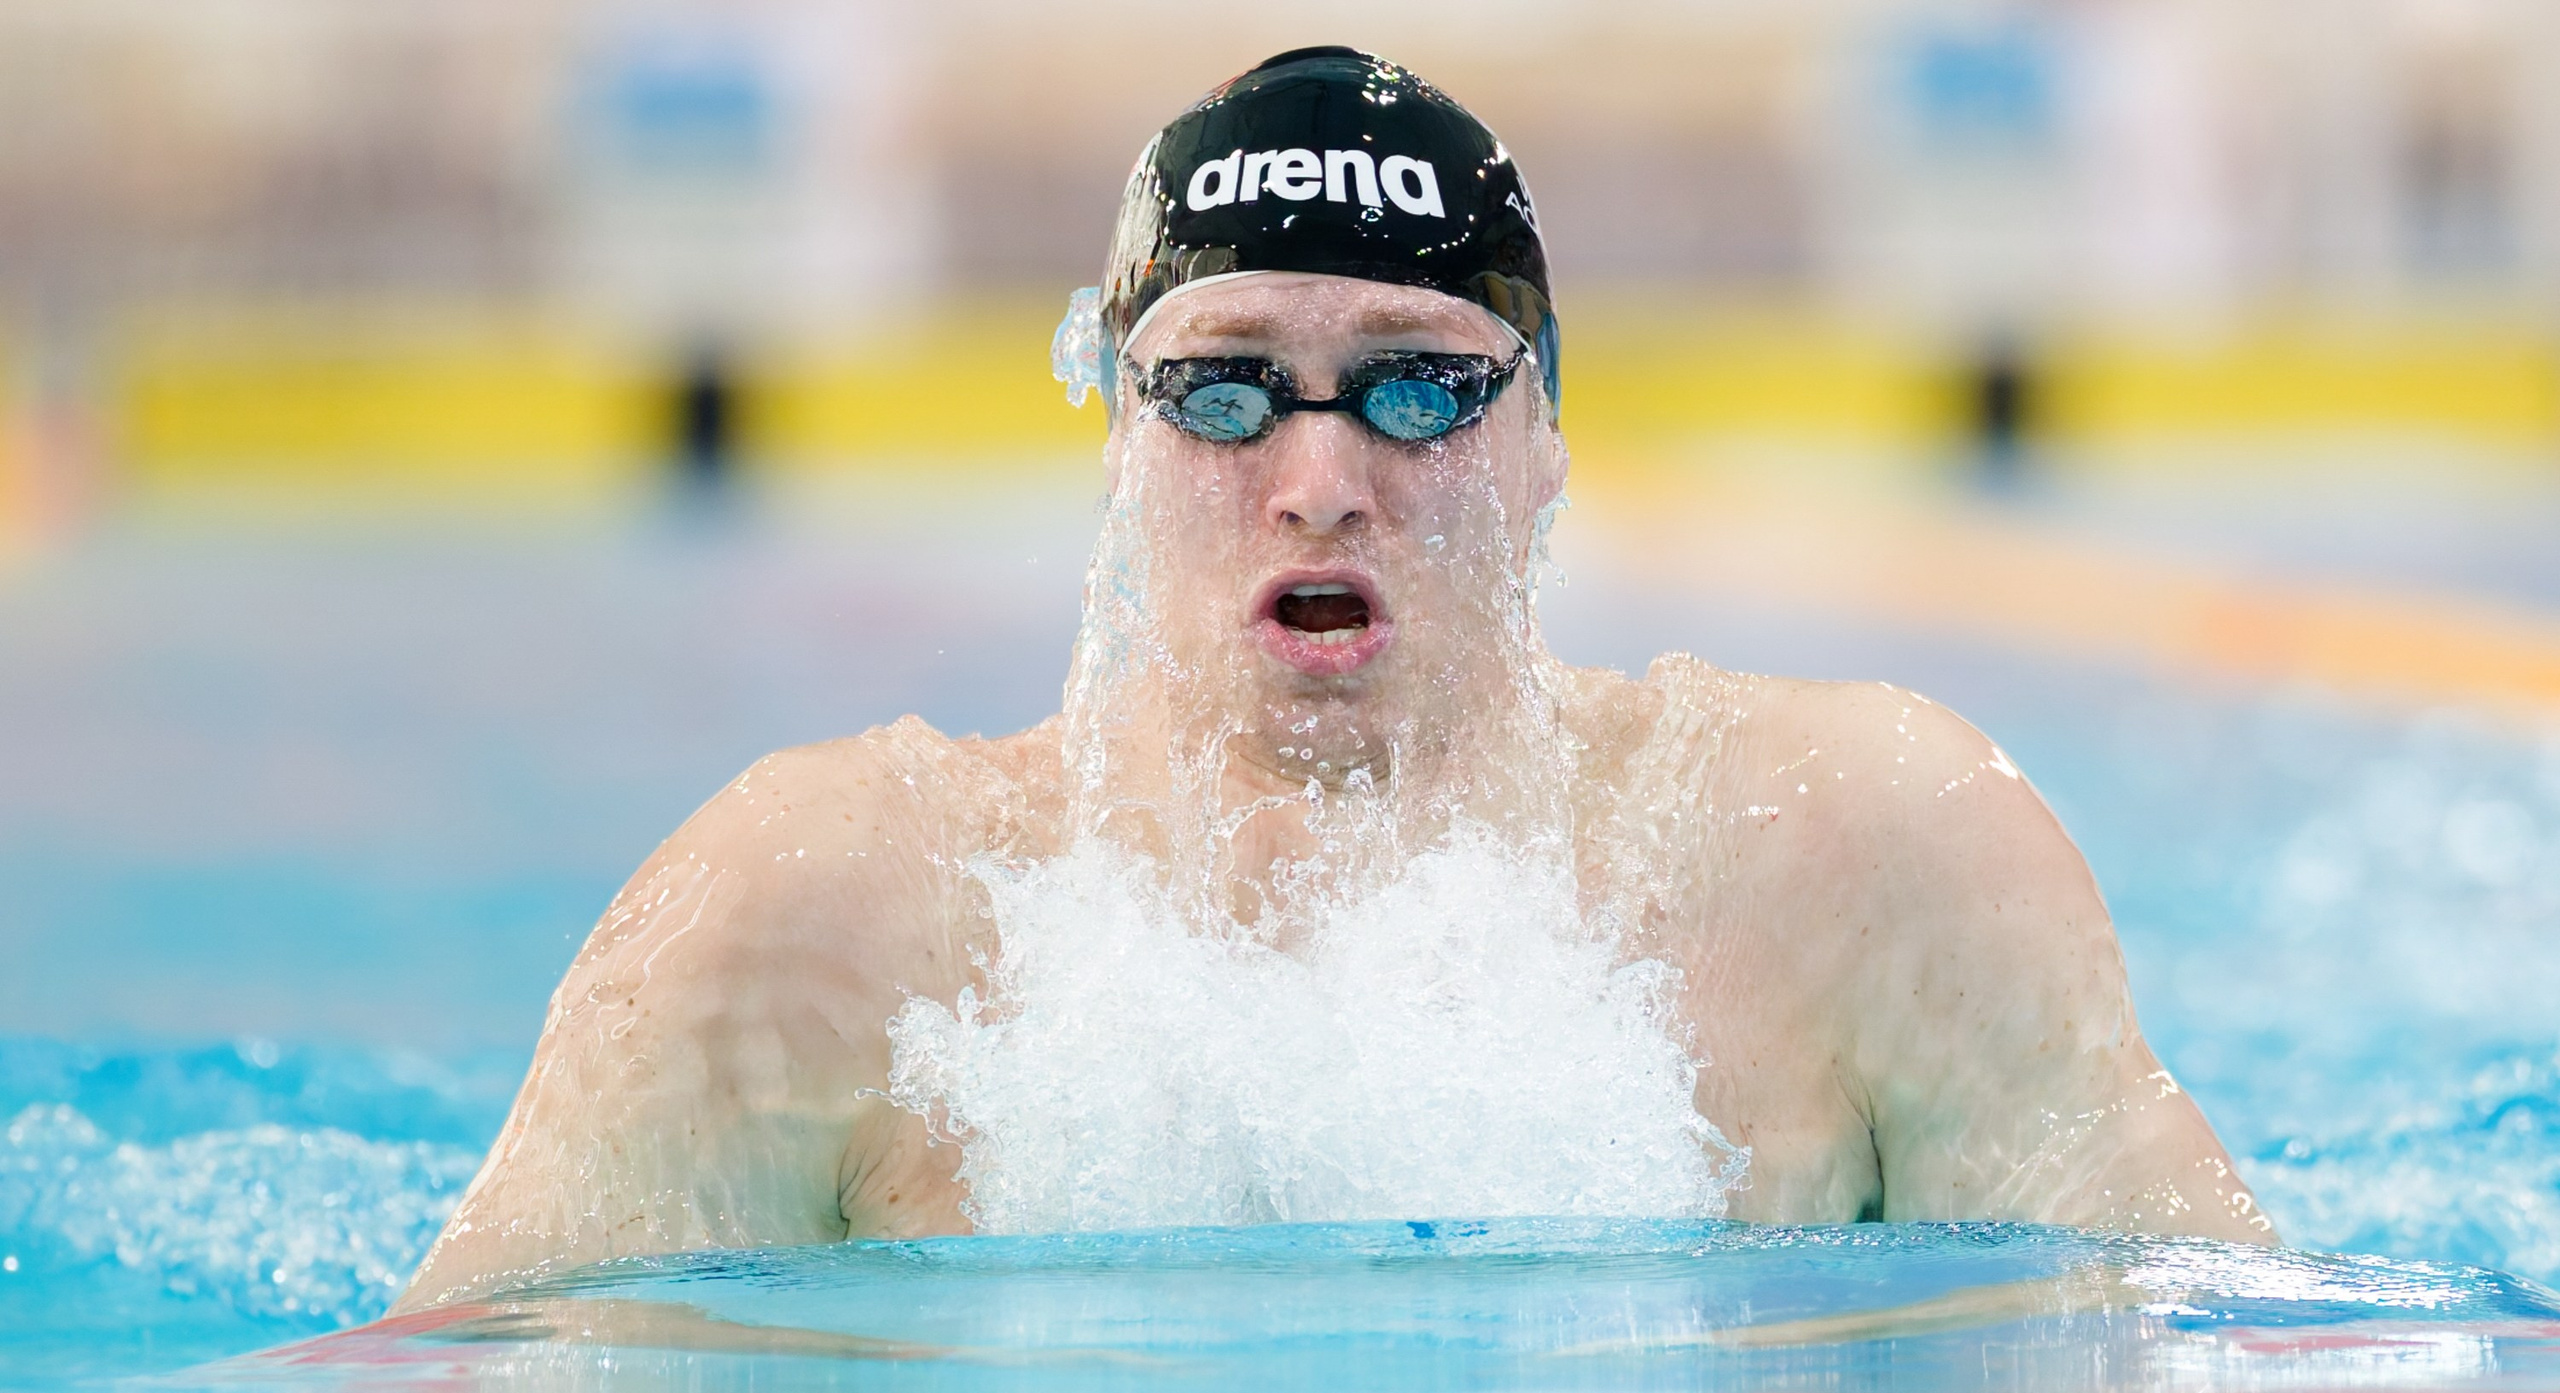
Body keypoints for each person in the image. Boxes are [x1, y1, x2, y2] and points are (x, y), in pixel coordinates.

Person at [396, 48, 2272, 1313]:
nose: (1317, 480)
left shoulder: (1863, 858)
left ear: (1546, 439)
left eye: (1417, 387)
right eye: (1221, 391)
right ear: (1117, 443)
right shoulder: (825, 909)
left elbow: (2199, 1360)